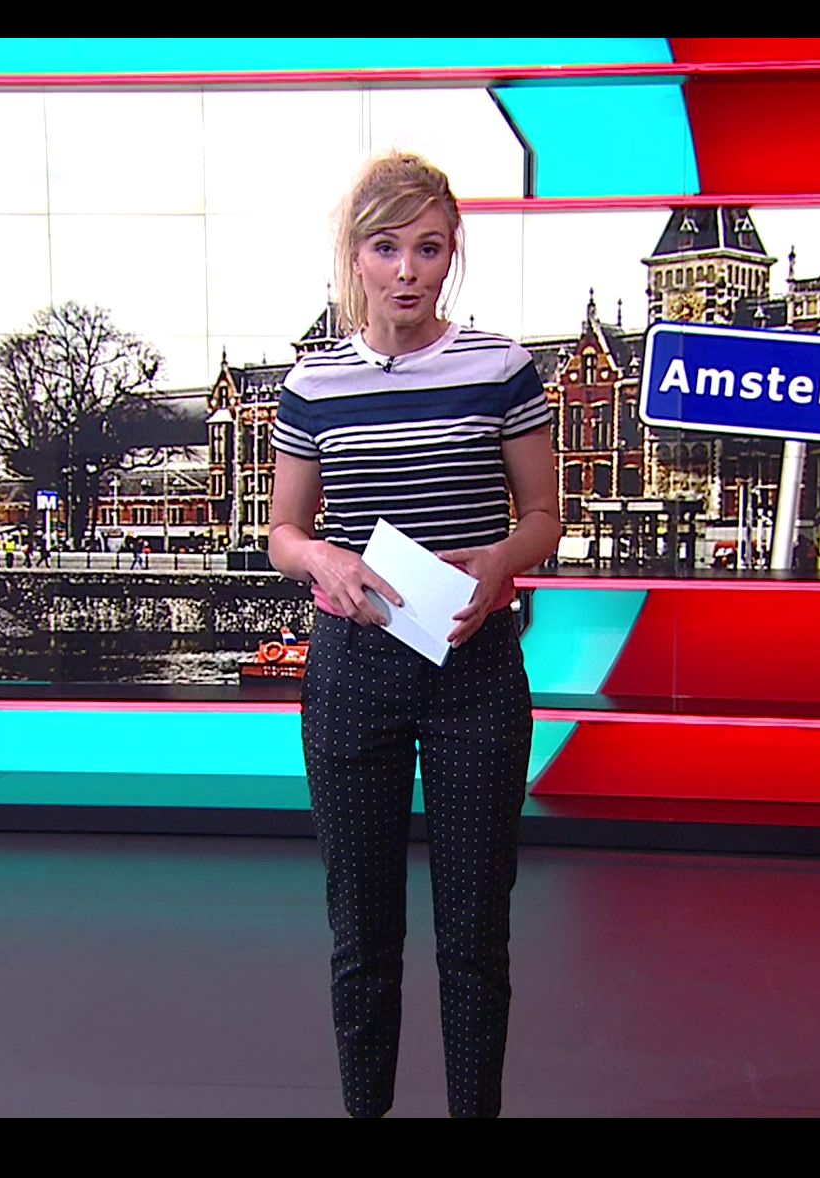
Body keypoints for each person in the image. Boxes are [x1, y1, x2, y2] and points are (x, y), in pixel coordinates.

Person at [268, 152, 559, 1119]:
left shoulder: (502, 368)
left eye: (428, 249)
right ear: (355, 255)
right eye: (386, 248)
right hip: (354, 670)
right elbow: (282, 534)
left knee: (474, 934)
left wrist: (501, 559)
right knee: (362, 932)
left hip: (475, 668)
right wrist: (323, 560)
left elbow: (544, 519)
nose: (407, 271)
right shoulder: (313, 384)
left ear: (451, 255)